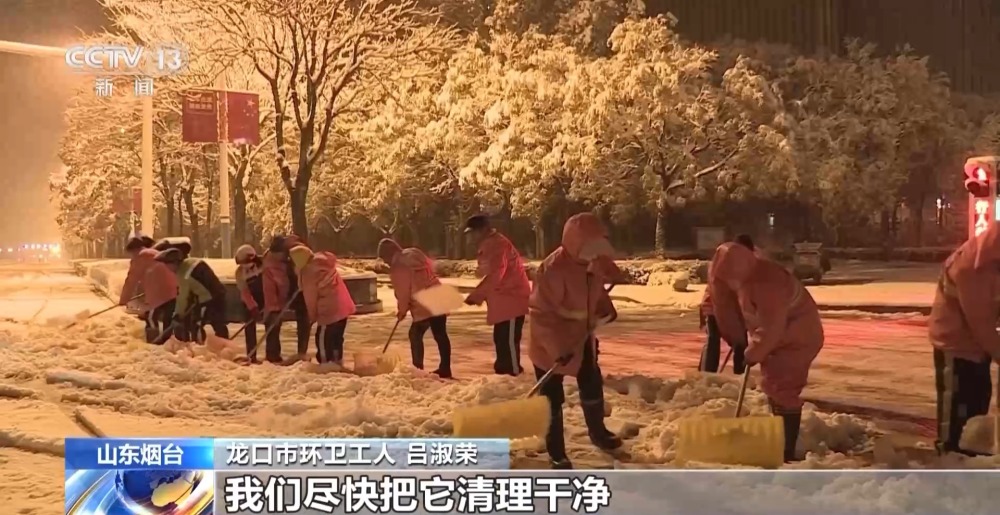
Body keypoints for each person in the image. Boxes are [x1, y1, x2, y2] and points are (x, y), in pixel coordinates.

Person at [709, 241, 824, 462]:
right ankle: (778, 436)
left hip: (797, 337)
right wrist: (741, 341)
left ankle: (786, 449)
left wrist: (754, 352)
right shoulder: (747, 279)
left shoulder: (767, 282)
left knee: (784, 388)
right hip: (779, 339)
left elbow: (772, 325)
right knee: (773, 385)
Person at [529, 212, 625, 469]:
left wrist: (605, 308)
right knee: (551, 399)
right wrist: (556, 349)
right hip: (550, 343)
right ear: (575, 243)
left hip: (582, 339)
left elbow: (596, 291)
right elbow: (541, 314)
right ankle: (556, 452)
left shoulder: (593, 264)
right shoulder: (553, 270)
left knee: (591, 383)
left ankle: (598, 432)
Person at [928, 223, 1000, 456]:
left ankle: (972, 457)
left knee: (977, 409)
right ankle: (949, 459)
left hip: (978, 348)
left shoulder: (992, 262)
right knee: (956, 415)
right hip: (954, 346)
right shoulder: (970, 268)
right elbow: (981, 323)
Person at [463, 215, 531, 376]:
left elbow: (496, 273)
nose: (470, 237)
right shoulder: (490, 244)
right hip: (503, 300)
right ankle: (503, 373)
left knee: (508, 341)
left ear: (482, 230)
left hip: (512, 299)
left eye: (472, 233)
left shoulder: (495, 245)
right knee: (501, 338)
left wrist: (477, 295)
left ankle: (513, 374)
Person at [378, 238, 452, 378]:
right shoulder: (414, 254)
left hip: (424, 303)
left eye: (384, 257)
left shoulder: (398, 267)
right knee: (440, 334)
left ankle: (417, 368)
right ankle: (445, 367)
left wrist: (402, 310)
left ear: (389, 253)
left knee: (415, 334)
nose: (385, 262)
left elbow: (403, 293)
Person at [289, 245, 356, 364]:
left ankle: (326, 364)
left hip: (329, 311)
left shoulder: (308, 273)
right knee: (336, 338)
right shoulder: (324, 264)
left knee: (323, 339)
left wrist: (312, 316)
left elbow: (311, 298)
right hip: (343, 308)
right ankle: (337, 361)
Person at [698, 234, 754, 374]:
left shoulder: (727, 257)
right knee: (715, 341)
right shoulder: (728, 258)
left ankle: (736, 375)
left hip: (724, 308)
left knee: (732, 343)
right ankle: (707, 374)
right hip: (715, 307)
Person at [153, 248, 230, 344]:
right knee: (218, 323)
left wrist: (177, 315)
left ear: (174, 263)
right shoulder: (192, 261)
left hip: (208, 299)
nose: (167, 268)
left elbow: (182, 298)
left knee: (197, 324)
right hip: (219, 293)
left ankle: (199, 347)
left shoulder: (183, 274)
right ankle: (226, 345)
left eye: (167, 265)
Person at [119, 235, 177, 343]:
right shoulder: (154, 253)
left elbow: (131, 280)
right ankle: (168, 343)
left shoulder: (140, 258)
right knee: (167, 319)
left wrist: (124, 299)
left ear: (134, 250)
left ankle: (154, 344)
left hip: (160, 293)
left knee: (151, 318)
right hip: (173, 290)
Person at [269, 235, 311, 355]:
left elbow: (306, 269)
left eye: (278, 256)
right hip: (291, 285)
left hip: (302, 288)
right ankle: (275, 353)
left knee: (303, 320)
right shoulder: (281, 256)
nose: (277, 259)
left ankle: (302, 351)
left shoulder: (298, 251)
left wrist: (301, 283)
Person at [234, 245, 265, 363]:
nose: (244, 266)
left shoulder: (264, 266)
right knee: (249, 325)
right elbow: (245, 292)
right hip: (250, 301)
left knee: (272, 324)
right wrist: (253, 308)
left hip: (266, 297)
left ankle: (273, 355)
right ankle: (251, 355)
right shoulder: (239, 273)